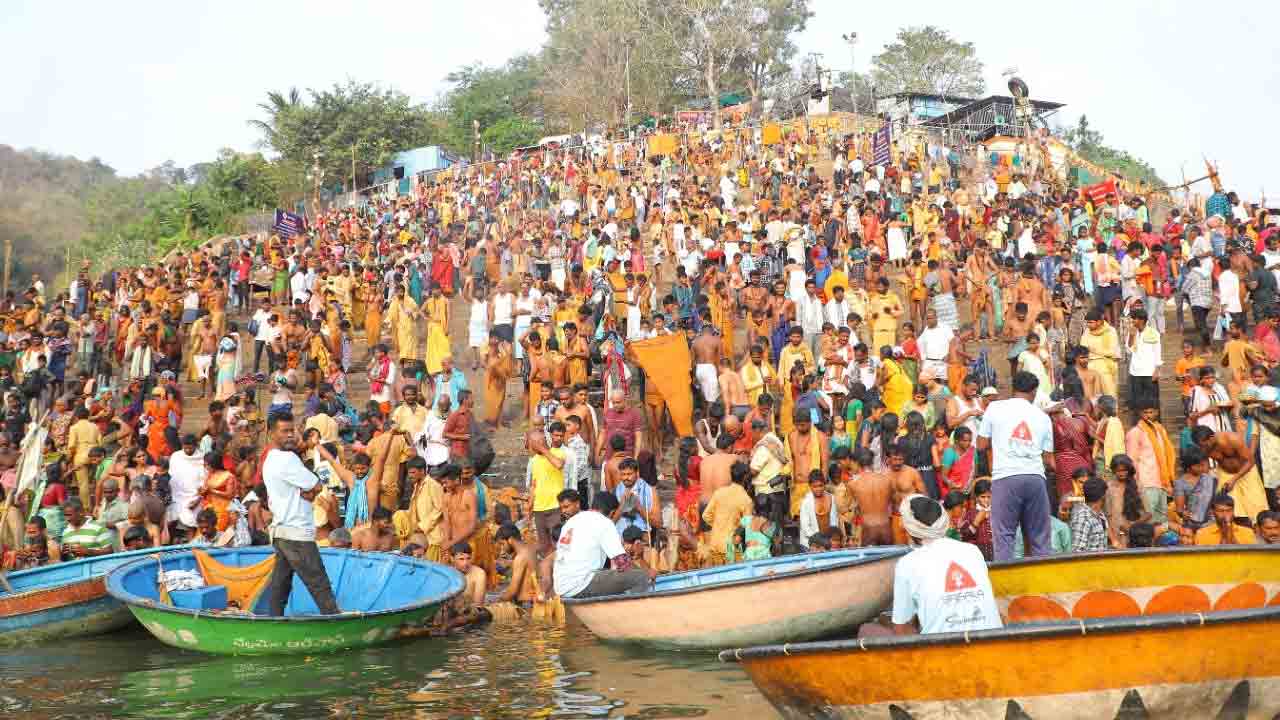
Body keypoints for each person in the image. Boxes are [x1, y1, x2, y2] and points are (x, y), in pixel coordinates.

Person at [261, 411, 340, 616]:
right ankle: (336, 622)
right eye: (284, 431)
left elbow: (312, 488)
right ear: (271, 433)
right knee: (319, 583)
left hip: (281, 531)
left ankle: (274, 621)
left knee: (280, 585)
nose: (290, 435)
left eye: (292, 430)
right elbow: (316, 484)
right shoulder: (287, 459)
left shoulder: (271, 458)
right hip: (296, 532)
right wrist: (309, 491)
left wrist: (308, 491)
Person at [887, 495, 1002, 636]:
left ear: (909, 529)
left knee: (873, 629)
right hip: (994, 642)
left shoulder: (907, 564)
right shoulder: (972, 551)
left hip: (943, 648)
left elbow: (901, 628)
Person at [976, 371, 1055, 560]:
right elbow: (1048, 459)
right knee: (1039, 538)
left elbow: (981, 445)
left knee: (1004, 536)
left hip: (1005, 478)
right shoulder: (1043, 417)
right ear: (1034, 391)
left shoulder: (994, 408)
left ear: (1013, 388)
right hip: (1035, 478)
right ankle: (1042, 577)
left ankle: (1005, 579)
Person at [553, 492, 654, 599]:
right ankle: (635, 608)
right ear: (612, 513)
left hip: (560, 587)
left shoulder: (570, 522)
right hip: (580, 585)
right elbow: (622, 563)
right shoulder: (605, 522)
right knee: (641, 577)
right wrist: (646, 572)